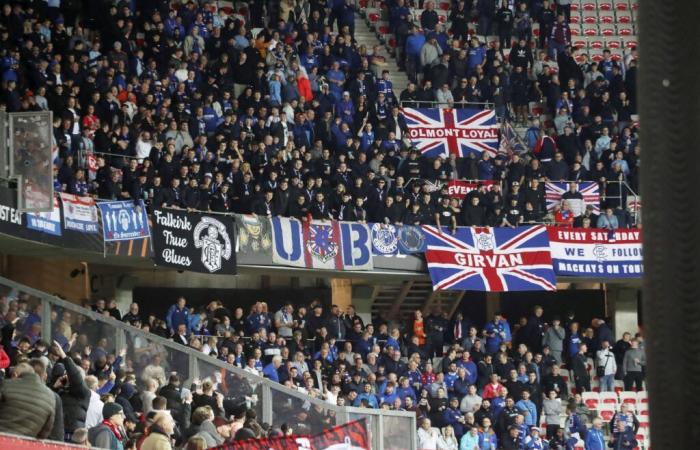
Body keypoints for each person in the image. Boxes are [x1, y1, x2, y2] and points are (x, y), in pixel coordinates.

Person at [0, 362, 56, 438]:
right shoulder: (51, 395)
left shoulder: (6, 384)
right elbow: (45, 432)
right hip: (25, 444)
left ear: (15, 375)